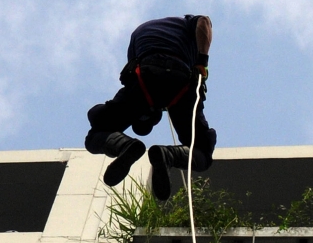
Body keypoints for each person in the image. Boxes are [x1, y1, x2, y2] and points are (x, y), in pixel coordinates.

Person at [85, 15, 216, 201]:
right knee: (201, 150)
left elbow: (204, 21)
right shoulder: (139, 33)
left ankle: (124, 146)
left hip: (149, 76)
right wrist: (200, 64)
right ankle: (167, 155)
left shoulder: (181, 23)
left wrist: (202, 62)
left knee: (95, 137)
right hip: (178, 82)